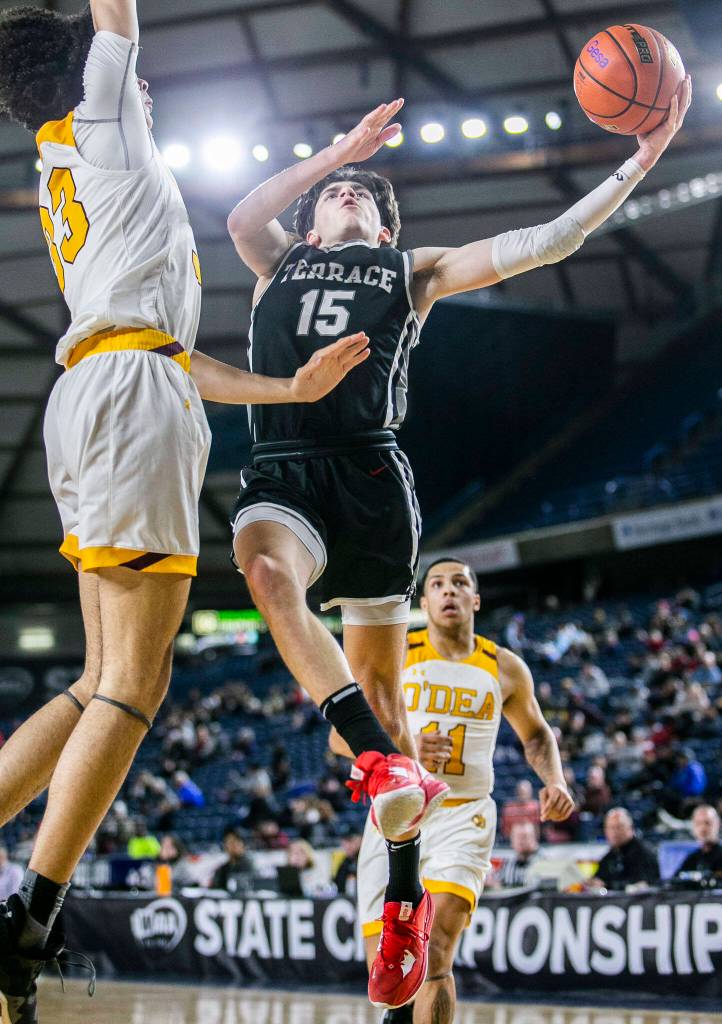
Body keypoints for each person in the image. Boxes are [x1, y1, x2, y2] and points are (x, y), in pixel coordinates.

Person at [225, 75, 690, 1010]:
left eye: (359, 195)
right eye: (329, 198)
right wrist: (331, 158)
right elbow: (241, 212)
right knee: (265, 570)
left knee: (389, 711)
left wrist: (637, 161)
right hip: (283, 463)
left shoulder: (412, 269)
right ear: (312, 220)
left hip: (370, 478)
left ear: (386, 230)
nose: (341, 197)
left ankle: (403, 891)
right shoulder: (277, 258)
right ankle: (377, 767)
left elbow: (541, 243)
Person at [0, 2, 369, 1019]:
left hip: (110, 389)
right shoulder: (104, 120)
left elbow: (168, 350)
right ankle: (27, 923)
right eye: (121, 65)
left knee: (96, 679)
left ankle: (23, 919)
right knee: (134, 683)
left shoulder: (75, 159)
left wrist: (286, 391)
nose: (143, 78)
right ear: (92, 75)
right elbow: (116, 18)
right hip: (127, 405)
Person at [357, 558, 574, 1024]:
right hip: (396, 814)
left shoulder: (504, 667)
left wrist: (554, 780)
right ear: (425, 601)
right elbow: (344, 735)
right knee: (387, 970)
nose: (449, 591)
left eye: (459, 583)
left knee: (434, 950)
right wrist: (407, 747)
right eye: (437, 584)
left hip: (465, 814)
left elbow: (536, 735)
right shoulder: (398, 653)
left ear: (475, 600)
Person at [590, 808, 658, 890]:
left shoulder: (643, 853)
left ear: (631, 828)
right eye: (611, 827)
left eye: (619, 827)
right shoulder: (611, 855)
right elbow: (599, 878)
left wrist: (607, 885)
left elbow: (641, 883)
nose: (615, 832)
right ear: (605, 831)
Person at [674, 805, 722, 877]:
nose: (703, 829)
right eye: (698, 823)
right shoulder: (692, 859)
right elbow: (675, 881)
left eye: (707, 823)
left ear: (718, 824)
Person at [496, 822, 544, 889]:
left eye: (524, 837)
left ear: (535, 838)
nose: (520, 841)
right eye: (517, 837)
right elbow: (498, 884)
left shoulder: (544, 861)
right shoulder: (507, 863)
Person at [333, 829, 363, 897]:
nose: (347, 846)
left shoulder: (365, 860)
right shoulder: (344, 862)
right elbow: (337, 885)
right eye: (344, 843)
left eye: (350, 841)